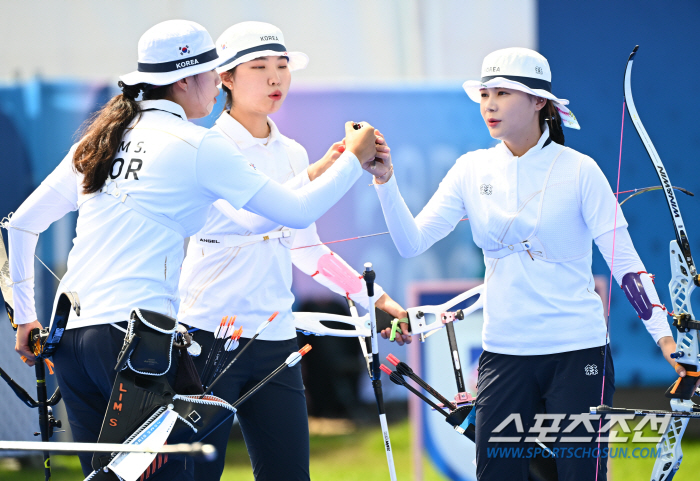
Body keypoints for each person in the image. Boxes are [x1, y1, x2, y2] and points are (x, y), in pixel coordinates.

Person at [7, 19, 380, 479]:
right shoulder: (200, 144)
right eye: (212, 71)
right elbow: (293, 214)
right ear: (187, 80)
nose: (216, 82)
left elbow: (22, 224)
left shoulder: (101, 138)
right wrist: (352, 159)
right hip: (133, 342)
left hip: (72, 340)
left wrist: (25, 316)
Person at [368, 48, 679, 480]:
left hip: (577, 352)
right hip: (505, 353)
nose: (490, 104)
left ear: (539, 102)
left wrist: (666, 339)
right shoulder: (470, 169)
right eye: (484, 93)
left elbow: (625, 264)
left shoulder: (581, 170)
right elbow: (410, 242)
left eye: (504, 93)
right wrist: (384, 181)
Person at [176, 21, 409, 481]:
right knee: (193, 475)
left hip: (275, 339)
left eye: (282, 67)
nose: (274, 78)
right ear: (225, 78)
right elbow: (260, 216)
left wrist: (373, 298)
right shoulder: (207, 147)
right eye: (258, 67)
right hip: (207, 337)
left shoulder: (293, 152)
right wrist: (340, 165)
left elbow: (305, 247)